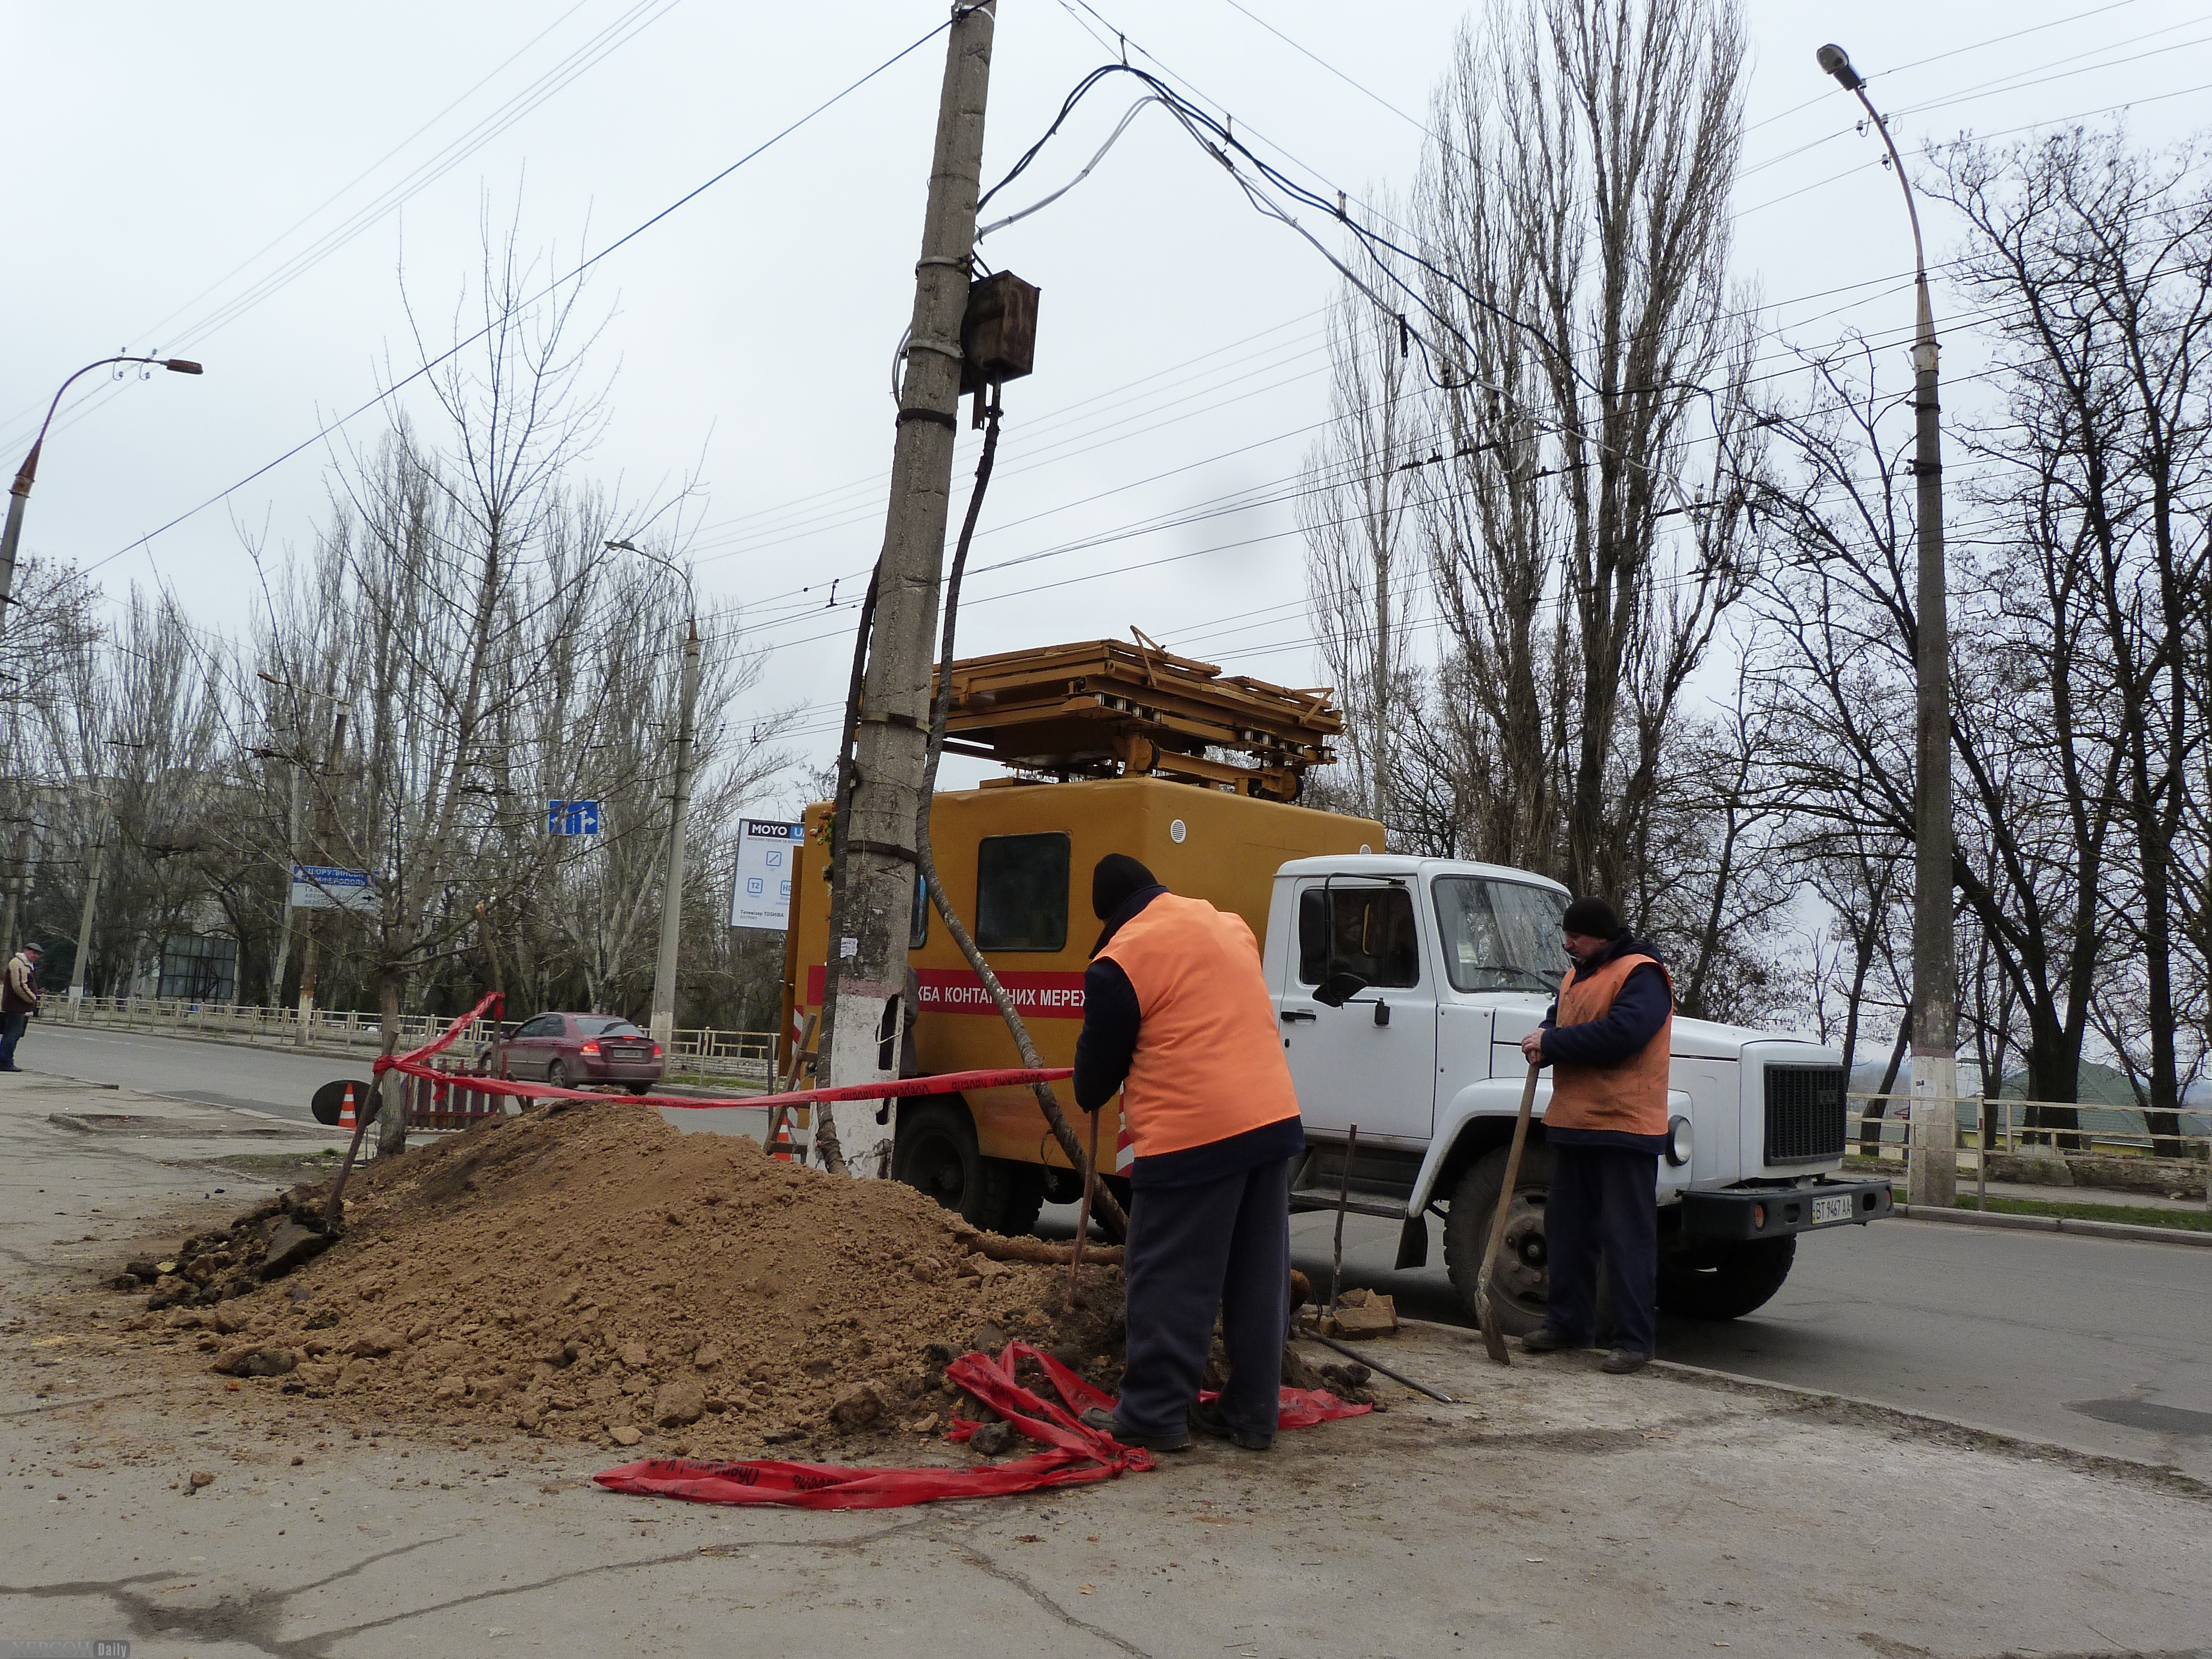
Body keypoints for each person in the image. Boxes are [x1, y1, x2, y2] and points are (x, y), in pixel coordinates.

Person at [1071, 854, 1306, 1453]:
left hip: (1193, 1131)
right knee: (1258, 1276)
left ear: (1107, 914)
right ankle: (1253, 1412)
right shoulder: (1228, 925)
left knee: (1170, 1276)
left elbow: (1092, 1083)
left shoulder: (1119, 960)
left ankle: (1152, 1413)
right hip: (1271, 1118)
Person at [1516, 897, 1673, 1374]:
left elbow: (1623, 1035)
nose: (1568, 944)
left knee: (1627, 1238)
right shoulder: (1576, 974)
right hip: (1575, 1122)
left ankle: (1633, 1341)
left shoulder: (1642, 974)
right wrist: (1543, 1034)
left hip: (1624, 1125)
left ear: (1600, 936)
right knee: (1567, 1232)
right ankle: (1568, 1324)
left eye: (1576, 937)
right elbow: (1560, 1019)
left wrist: (1554, 1043)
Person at [2, 942, 44, 1073]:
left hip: (20, 1006)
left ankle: (6, 1060)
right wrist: (33, 998)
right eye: (33, 953)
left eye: (38, 954)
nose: (36, 956)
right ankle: (5, 1061)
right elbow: (19, 986)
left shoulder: (26, 965)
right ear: (26, 951)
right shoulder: (19, 964)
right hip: (16, 1005)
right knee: (12, 1034)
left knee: (15, 1034)